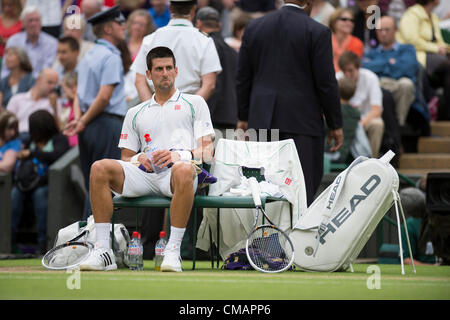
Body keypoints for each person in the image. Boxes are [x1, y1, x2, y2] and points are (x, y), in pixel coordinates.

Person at [79, 46, 215, 272]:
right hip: (144, 176)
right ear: (149, 75)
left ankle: (172, 251)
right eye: (159, 69)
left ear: (176, 71)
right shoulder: (135, 112)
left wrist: (177, 155)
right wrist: (139, 158)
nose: (165, 73)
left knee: (182, 169)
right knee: (99, 167)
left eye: (169, 68)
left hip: (177, 176)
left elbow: (207, 151)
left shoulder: (196, 103)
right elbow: (126, 157)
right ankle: (103, 251)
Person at [236, 0, 343, 206]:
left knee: (262, 192)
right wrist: (335, 124)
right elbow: (326, 84)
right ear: (308, 2)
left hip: (262, 122)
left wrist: (243, 116)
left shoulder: (254, 26)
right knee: (301, 191)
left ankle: (265, 238)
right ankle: (298, 237)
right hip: (302, 123)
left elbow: (242, 77)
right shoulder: (317, 31)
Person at [63, 6, 128, 220]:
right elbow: (103, 97)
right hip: (106, 124)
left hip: (89, 127)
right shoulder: (111, 57)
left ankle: (87, 240)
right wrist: (83, 120)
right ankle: (100, 242)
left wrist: (81, 120)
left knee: (92, 186)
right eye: (119, 24)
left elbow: (77, 97)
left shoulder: (88, 55)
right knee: (105, 186)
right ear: (108, 29)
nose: (123, 27)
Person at [131, 0, 222, 103]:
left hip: (158, 104)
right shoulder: (204, 40)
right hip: (189, 105)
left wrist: (152, 109)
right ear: (193, 10)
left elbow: (139, 80)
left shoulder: (151, 38)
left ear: (170, 9)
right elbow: (209, 85)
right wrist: (189, 109)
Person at [11, 109, 70, 254]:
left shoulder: (59, 139)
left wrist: (32, 153)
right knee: (14, 195)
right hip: (27, 183)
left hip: (47, 183)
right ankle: (10, 241)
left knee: (39, 195)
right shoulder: (30, 141)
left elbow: (57, 155)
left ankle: (43, 243)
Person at [397, 0, 450, 120]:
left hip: (435, 56)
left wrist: (445, 48)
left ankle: (444, 113)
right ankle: (446, 115)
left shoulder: (434, 17)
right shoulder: (412, 14)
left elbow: (441, 41)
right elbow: (411, 40)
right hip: (418, 56)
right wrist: (436, 48)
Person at [362, 15, 418, 127]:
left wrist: (379, 66)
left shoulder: (407, 49)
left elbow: (407, 69)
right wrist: (390, 63)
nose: (383, 33)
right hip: (380, 86)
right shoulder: (371, 53)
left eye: (387, 30)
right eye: (380, 30)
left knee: (406, 84)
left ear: (395, 30)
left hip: (398, 87)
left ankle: (398, 125)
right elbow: (364, 68)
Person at [195, 6, 238, 136]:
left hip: (207, 119)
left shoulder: (201, 47)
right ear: (219, 25)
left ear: (198, 23)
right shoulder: (233, 52)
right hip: (230, 117)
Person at [337, 51, 384, 158]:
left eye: (350, 71)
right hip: (343, 121)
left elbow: (376, 110)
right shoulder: (337, 78)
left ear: (358, 68)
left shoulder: (370, 78)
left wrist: (360, 124)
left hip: (364, 120)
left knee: (378, 124)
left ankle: (372, 161)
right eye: (344, 71)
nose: (347, 75)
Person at [1, 6, 58, 79]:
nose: (34, 24)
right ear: (23, 24)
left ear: (41, 22)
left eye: (37, 20)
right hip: (14, 84)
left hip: (40, 85)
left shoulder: (52, 43)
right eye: (30, 20)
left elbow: (48, 69)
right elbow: (5, 70)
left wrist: (29, 82)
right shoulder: (13, 41)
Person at [6, 68, 60, 139]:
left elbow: (58, 129)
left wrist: (54, 108)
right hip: (16, 137)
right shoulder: (17, 99)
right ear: (38, 80)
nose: (52, 87)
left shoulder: (55, 102)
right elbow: (6, 123)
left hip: (39, 139)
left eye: (55, 84)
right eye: (49, 82)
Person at [399, 187, 439, 265]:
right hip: (426, 268)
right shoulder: (409, 225)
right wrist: (432, 267)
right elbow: (406, 259)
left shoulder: (442, 219)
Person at [329, 7, 364, 72]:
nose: (349, 23)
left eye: (352, 20)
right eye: (344, 19)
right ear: (333, 22)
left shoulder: (357, 43)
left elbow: (353, 68)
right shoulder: (325, 40)